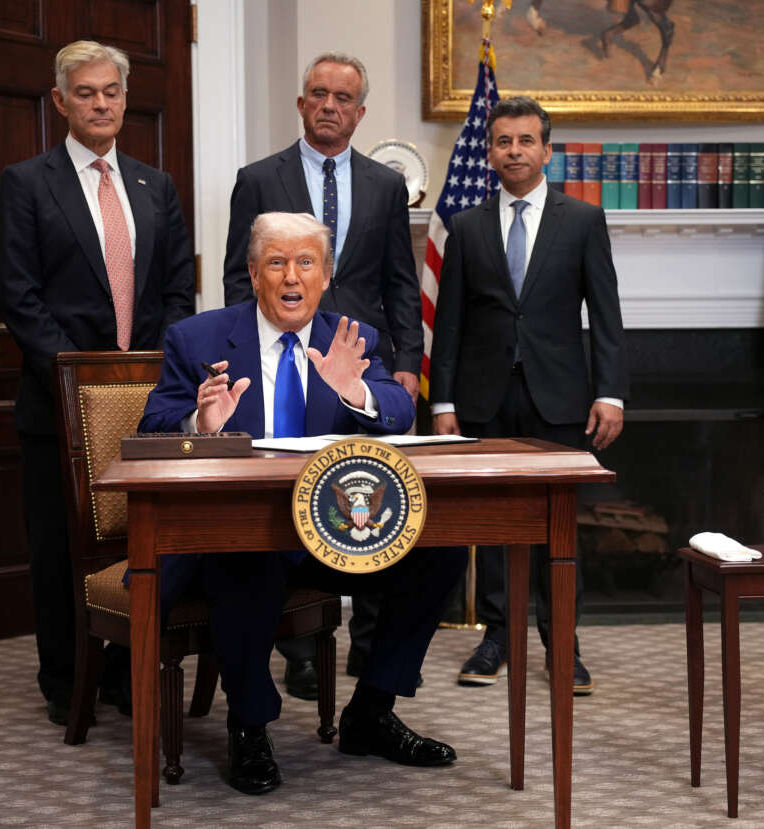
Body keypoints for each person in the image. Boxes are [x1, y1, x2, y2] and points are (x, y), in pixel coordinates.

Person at [141, 212, 464, 795]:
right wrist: (199, 421)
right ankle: (250, 725)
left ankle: (370, 711)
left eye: (306, 262)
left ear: (325, 274)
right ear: (253, 273)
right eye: (277, 262)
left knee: (439, 554)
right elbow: (153, 427)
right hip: (233, 534)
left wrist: (355, 390)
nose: (292, 276)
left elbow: (398, 410)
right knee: (246, 552)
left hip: (331, 530)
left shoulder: (351, 337)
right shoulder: (200, 338)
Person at [0, 40, 195, 726]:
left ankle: (120, 669)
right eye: (86, 92)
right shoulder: (26, 182)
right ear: (60, 101)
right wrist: (84, 383)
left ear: (125, 97)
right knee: (60, 548)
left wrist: (152, 380)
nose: (101, 102)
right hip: (59, 406)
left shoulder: (154, 184)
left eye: (111, 91)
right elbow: (20, 298)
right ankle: (65, 675)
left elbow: (174, 293)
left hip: (147, 407)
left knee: (137, 541)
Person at [222, 52, 423, 699]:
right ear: (302, 102)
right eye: (318, 93)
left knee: (370, 503)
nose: (330, 105)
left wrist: (408, 365)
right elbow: (237, 278)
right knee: (290, 505)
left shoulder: (386, 185)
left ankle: (367, 653)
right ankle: (299, 647)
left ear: (360, 111)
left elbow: (399, 282)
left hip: (361, 366)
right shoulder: (258, 178)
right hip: (282, 363)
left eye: (343, 97)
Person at [430, 96, 629, 696]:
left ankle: (561, 642)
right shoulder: (466, 227)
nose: (513, 151)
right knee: (492, 525)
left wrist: (611, 393)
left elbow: (607, 314)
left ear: (546, 149)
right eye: (502, 142)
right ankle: (498, 637)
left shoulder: (583, 220)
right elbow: (451, 325)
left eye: (525, 141)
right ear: (489, 152)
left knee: (558, 524)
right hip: (483, 400)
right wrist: (442, 403)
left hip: (561, 398)